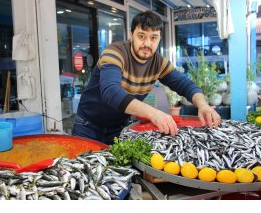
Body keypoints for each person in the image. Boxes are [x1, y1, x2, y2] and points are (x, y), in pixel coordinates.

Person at [72, 10, 221, 145]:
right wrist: (154, 114)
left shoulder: (158, 63)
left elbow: (185, 85)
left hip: (119, 128)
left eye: (153, 38)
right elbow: (111, 92)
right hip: (88, 125)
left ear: (159, 39)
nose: (147, 44)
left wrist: (203, 105)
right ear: (131, 35)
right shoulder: (115, 53)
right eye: (141, 36)